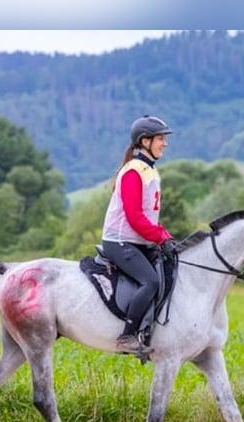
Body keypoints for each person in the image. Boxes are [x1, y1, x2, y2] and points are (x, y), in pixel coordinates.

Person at [101, 115, 179, 355]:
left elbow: (150, 215)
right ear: (145, 141)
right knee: (151, 281)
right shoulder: (134, 171)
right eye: (160, 139)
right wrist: (160, 238)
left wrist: (166, 235)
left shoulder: (149, 170)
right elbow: (134, 217)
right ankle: (127, 336)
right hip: (121, 241)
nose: (164, 143)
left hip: (138, 240)